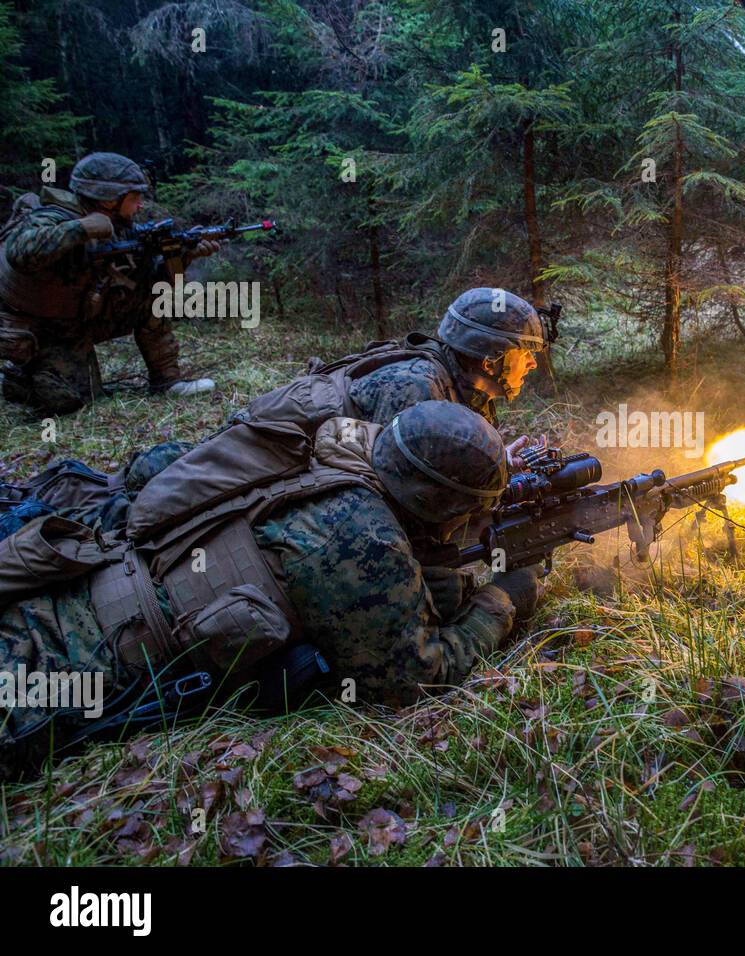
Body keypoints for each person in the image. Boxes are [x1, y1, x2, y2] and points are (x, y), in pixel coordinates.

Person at [0, 400, 546, 778]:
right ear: (438, 501)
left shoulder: (336, 445)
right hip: (68, 669)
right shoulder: (364, 538)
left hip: (73, 588)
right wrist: (502, 601)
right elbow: (409, 681)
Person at [0, 151, 218, 415]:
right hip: (41, 328)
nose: (140, 206)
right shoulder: (54, 216)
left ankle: (168, 381)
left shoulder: (121, 226)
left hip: (80, 318)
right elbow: (20, 252)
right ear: (108, 200)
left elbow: (147, 283)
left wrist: (183, 258)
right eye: (134, 198)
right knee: (71, 402)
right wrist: (81, 229)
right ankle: (21, 377)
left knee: (154, 300)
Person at [241, 287, 548, 467]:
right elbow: (398, 489)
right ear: (490, 361)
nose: (533, 364)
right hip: (259, 459)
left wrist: (493, 463)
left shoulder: (460, 388)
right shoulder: (417, 390)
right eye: (524, 354)